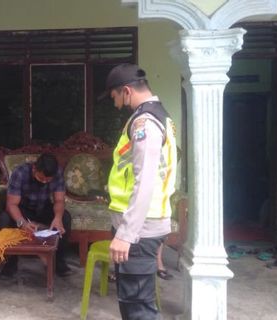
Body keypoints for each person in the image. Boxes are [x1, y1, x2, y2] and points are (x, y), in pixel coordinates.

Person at [105, 63, 177, 319]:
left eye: (114, 96)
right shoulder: (159, 115)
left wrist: (126, 234)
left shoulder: (144, 123)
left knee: (138, 309)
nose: (116, 103)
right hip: (141, 227)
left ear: (126, 91)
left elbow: (145, 180)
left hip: (139, 231)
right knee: (135, 303)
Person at [0, 153, 73, 277]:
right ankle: (10, 264)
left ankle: (58, 262)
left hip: (43, 206)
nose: (44, 182)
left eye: (47, 180)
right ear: (34, 169)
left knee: (65, 217)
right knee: (5, 219)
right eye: (41, 178)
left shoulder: (57, 173)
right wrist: (22, 223)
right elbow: (11, 204)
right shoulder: (20, 173)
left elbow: (59, 200)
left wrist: (57, 218)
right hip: (22, 208)